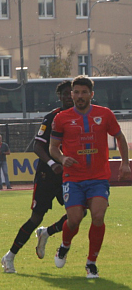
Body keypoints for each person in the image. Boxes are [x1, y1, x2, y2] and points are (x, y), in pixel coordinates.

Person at [48, 75, 130, 278]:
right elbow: (53, 147)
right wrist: (62, 158)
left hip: (98, 177)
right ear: (72, 94)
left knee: (98, 217)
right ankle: (64, 245)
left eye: (84, 92)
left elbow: (119, 137)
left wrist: (125, 163)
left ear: (91, 94)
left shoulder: (105, 114)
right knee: (74, 219)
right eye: (76, 92)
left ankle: (91, 263)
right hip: (73, 178)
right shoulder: (61, 118)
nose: (80, 96)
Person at [1, 80, 75, 274]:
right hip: (47, 175)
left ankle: (47, 232)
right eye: (66, 93)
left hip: (70, 175)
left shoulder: (82, 117)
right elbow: (38, 146)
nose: (70, 96)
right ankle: (9, 256)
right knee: (36, 217)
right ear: (59, 96)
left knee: (79, 213)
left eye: (73, 93)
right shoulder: (52, 117)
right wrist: (52, 164)